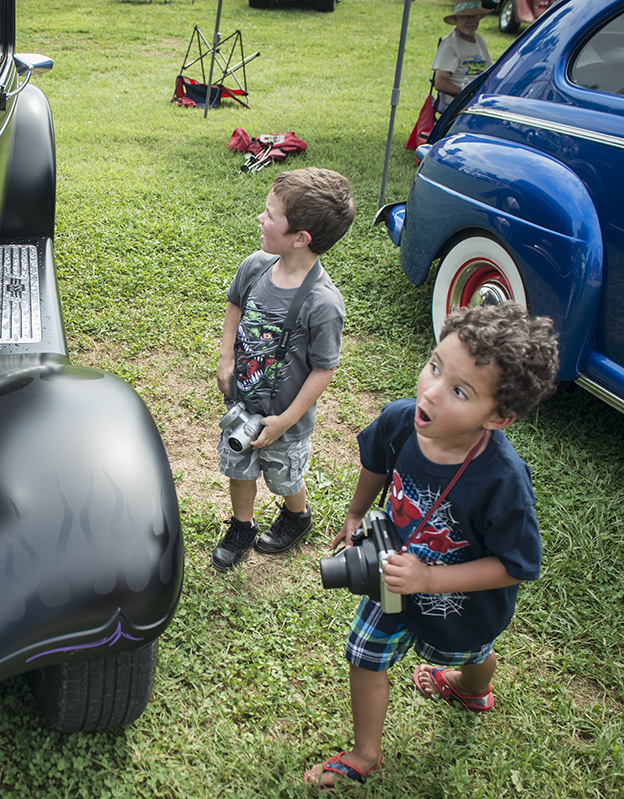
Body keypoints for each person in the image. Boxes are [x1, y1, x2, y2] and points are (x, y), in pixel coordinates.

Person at [304, 302, 560, 788]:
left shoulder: (503, 481)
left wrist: (431, 579)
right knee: (364, 652)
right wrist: (358, 511)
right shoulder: (403, 419)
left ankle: (471, 689)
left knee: (472, 653)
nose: (432, 392)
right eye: (435, 366)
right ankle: (365, 753)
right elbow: (376, 460)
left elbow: (518, 564)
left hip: (459, 606)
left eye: (460, 391)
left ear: (499, 417)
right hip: (393, 580)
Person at [211, 167, 355, 571]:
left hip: (284, 420)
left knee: (284, 477)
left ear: (300, 238)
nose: (261, 218)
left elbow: (324, 369)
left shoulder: (323, 304)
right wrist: (226, 357)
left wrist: (285, 420)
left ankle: (296, 515)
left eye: (270, 214)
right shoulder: (256, 266)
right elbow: (235, 304)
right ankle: (242, 526)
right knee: (238, 468)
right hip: (243, 405)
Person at [433, 1, 493, 115]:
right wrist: (468, 95)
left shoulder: (480, 41)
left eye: (475, 16)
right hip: (458, 108)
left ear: (480, 17)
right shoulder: (450, 44)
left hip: (479, 103)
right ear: (456, 20)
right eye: (466, 17)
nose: (471, 21)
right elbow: (440, 82)